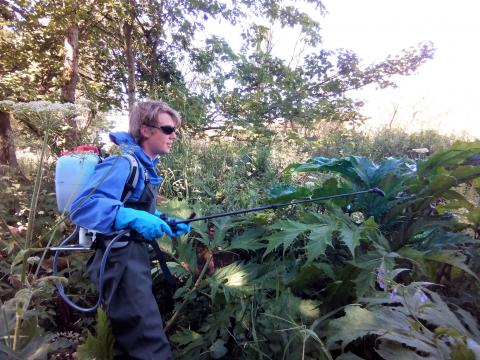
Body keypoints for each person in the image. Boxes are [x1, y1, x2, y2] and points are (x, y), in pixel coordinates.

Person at [69, 100, 189, 359]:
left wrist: (163, 219)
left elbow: (132, 205)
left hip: (131, 258)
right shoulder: (123, 163)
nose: (174, 135)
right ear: (146, 130)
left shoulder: (143, 167)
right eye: (168, 129)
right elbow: (82, 206)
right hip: (118, 262)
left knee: (132, 342)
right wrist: (132, 218)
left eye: (175, 130)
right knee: (148, 346)